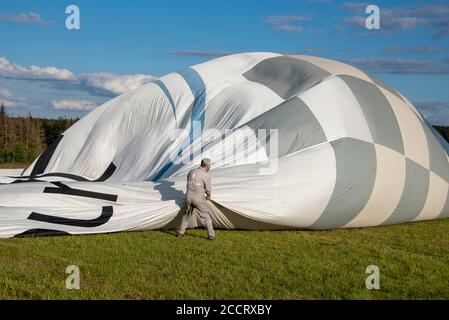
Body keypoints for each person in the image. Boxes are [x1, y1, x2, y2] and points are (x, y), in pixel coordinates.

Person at [177, 158, 215, 240]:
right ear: (207, 166)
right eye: (209, 166)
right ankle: (211, 235)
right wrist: (208, 196)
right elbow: (208, 190)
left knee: (186, 215)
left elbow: (188, 182)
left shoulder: (192, 171)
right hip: (198, 198)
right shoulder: (206, 175)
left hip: (188, 197)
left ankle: (181, 232)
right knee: (206, 216)